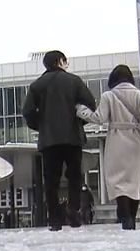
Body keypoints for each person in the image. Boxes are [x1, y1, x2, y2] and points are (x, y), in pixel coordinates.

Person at [76, 65, 140, 230]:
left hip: (116, 142)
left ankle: (125, 217)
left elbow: (99, 118)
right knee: (133, 184)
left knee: (118, 183)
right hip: (136, 142)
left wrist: (81, 111)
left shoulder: (109, 96)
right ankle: (130, 218)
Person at [22, 50, 98, 231]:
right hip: (73, 137)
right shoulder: (74, 82)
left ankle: (54, 218)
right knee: (74, 177)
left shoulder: (36, 86)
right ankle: (73, 210)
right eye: (66, 61)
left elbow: (28, 112)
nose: (67, 64)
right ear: (60, 61)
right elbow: (90, 105)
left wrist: (41, 126)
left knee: (51, 180)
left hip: (49, 140)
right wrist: (79, 122)